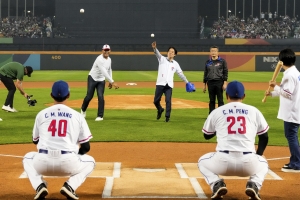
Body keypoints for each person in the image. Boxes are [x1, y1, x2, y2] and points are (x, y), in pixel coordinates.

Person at [23, 80, 95, 200]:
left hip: (42, 163)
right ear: (69, 95)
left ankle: (39, 186)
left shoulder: (41, 114)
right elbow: (86, 147)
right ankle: (70, 186)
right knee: (91, 161)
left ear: (51, 95)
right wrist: (76, 153)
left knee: (28, 157)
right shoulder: (77, 116)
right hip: (68, 164)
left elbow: (35, 140)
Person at [198, 81, 269, 200]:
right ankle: (254, 184)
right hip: (248, 164)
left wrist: (221, 127)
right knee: (264, 163)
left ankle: (216, 184)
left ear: (226, 96)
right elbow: (264, 136)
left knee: (201, 161)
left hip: (222, 163)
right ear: (244, 96)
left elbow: (206, 135)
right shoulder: (254, 111)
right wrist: (259, 154)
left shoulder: (217, 111)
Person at [265, 48, 300, 173]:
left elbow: (288, 93)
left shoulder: (290, 75)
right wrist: (272, 94)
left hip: (292, 111)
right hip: (295, 109)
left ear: (282, 61)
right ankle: (295, 160)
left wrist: (275, 86)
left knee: (291, 136)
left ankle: (297, 163)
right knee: (292, 136)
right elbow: (286, 91)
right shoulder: (294, 72)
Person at [151, 41, 190, 122]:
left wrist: (187, 82)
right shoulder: (162, 59)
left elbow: (181, 74)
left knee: (168, 101)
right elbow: (157, 54)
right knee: (155, 101)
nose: (170, 53)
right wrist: (154, 48)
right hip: (160, 84)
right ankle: (160, 109)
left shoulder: (175, 64)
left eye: (172, 52)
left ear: (175, 54)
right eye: (169, 51)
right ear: (167, 53)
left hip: (169, 86)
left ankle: (167, 117)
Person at [81, 44, 119, 121]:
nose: (106, 52)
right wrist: (112, 82)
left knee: (100, 97)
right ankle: (83, 110)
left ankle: (100, 116)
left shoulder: (109, 59)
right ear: (102, 51)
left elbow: (109, 70)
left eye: (108, 50)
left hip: (101, 80)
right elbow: (104, 71)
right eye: (105, 50)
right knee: (89, 96)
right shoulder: (99, 59)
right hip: (92, 78)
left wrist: (110, 80)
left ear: (110, 51)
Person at [203, 46, 228, 114]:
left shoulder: (222, 61)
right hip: (210, 82)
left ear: (217, 52)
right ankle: (211, 115)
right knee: (211, 100)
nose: (213, 52)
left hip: (219, 82)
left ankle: (221, 115)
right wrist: (204, 84)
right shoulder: (208, 62)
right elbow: (205, 73)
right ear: (210, 52)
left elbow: (225, 72)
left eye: (215, 51)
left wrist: (225, 83)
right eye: (212, 51)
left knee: (220, 99)